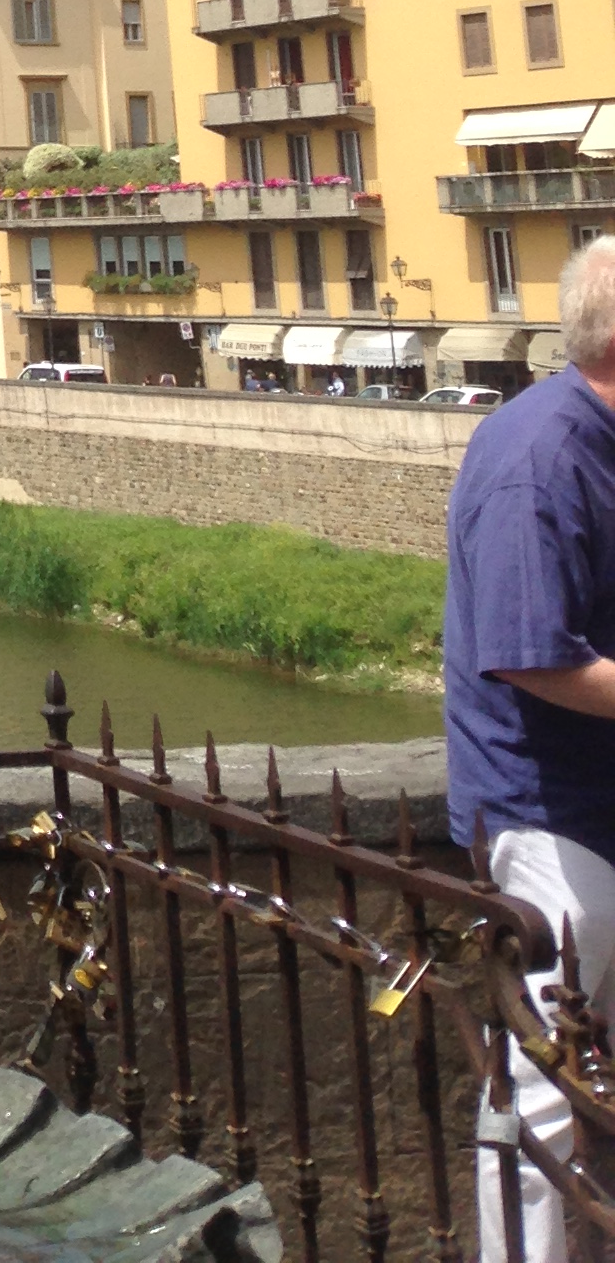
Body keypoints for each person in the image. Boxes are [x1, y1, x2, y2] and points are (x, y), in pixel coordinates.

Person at [444, 238, 615, 1261]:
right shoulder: (541, 457)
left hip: (592, 817)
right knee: (550, 1080)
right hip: (550, 823)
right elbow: (529, 655)